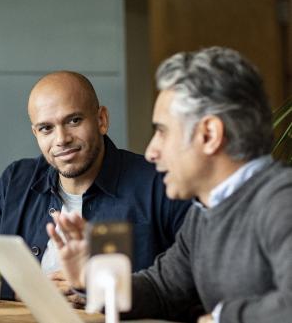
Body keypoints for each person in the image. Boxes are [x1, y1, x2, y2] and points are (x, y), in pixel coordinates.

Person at [50, 47, 292, 323]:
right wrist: (93, 279)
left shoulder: (282, 200)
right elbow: (161, 291)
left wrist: (222, 318)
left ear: (209, 134)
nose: (151, 152)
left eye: (162, 132)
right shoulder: (205, 213)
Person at [0, 71, 190, 300]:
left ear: (101, 120)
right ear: (36, 134)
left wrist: (98, 289)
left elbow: (195, 281)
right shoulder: (16, 182)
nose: (62, 139)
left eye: (74, 121)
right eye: (46, 128)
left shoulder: (160, 182)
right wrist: (25, 288)